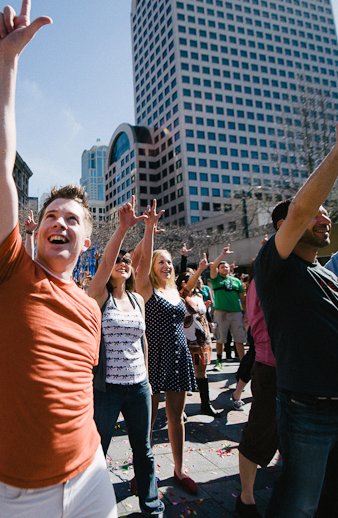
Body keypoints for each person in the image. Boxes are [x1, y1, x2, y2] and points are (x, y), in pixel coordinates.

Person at [0, 0, 116, 517]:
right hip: (12, 496)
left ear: (85, 241)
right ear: (36, 232)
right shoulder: (9, 270)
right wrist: (6, 65)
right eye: (52, 215)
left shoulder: (89, 309)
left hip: (91, 476)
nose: (60, 222)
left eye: (73, 219)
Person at [254, 96, 338, 518]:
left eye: (328, 214)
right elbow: (300, 210)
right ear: (285, 227)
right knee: (298, 506)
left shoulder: (324, 274)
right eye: (319, 214)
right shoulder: (274, 267)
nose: (324, 218)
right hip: (307, 412)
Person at [237, 218, 338, 518]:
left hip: (318, 380)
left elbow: (321, 281)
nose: (325, 220)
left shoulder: (307, 269)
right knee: (259, 435)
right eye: (312, 215)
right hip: (272, 367)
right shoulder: (269, 272)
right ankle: (247, 498)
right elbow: (257, 322)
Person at [87, 199, 163, 517]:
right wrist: (122, 229)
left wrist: (148, 229)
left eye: (125, 260)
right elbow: (106, 264)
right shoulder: (99, 295)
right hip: (107, 388)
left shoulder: (137, 298)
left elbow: (143, 265)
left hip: (138, 387)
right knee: (98, 448)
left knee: (142, 450)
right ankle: (90, 503)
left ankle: (151, 504)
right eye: (117, 260)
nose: (122, 263)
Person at [135, 201, 198, 495]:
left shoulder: (175, 291)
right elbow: (143, 260)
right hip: (154, 357)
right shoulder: (146, 289)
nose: (167, 265)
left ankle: (179, 468)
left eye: (170, 262)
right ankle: (142, 470)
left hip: (178, 355)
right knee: (148, 419)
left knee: (177, 417)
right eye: (162, 261)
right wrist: (149, 231)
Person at [177, 256, 221, 417]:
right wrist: (200, 269)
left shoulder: (200, 296)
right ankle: (179, 409)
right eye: (190, 279)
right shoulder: (181, 295)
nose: (195, 281)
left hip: (202, 339)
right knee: (184, 372)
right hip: (187, 339)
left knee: (202, 372)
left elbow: (203, 315)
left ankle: (205, 404)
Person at [209, 245, 248, 368]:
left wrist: (246, 312)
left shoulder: (236, 281)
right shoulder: (216, 279)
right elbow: (213, 266)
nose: (224, 268)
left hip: (236, 312)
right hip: (221, 312)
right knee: (220, 338)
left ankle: (243, 362)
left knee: (239, 338)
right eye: (222, 267)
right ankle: (219, 362)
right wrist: (222, 255)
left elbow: (242, 297)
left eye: (226, 266)